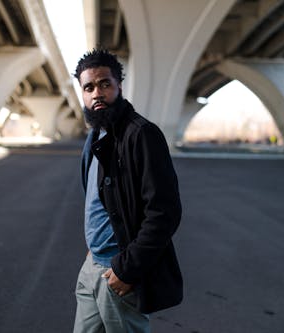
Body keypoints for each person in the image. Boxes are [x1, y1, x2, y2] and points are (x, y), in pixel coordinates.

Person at [73, 49, 183, 333]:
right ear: (82, 93)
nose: (97, 93)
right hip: (92, 268)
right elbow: (98, 201)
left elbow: (164, 213)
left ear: (119, 86)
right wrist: (92, 250)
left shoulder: (142, 134)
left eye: (105, 84)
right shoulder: (95, 136)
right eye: (89, 87)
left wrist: (127, 269)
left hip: (119, 272)